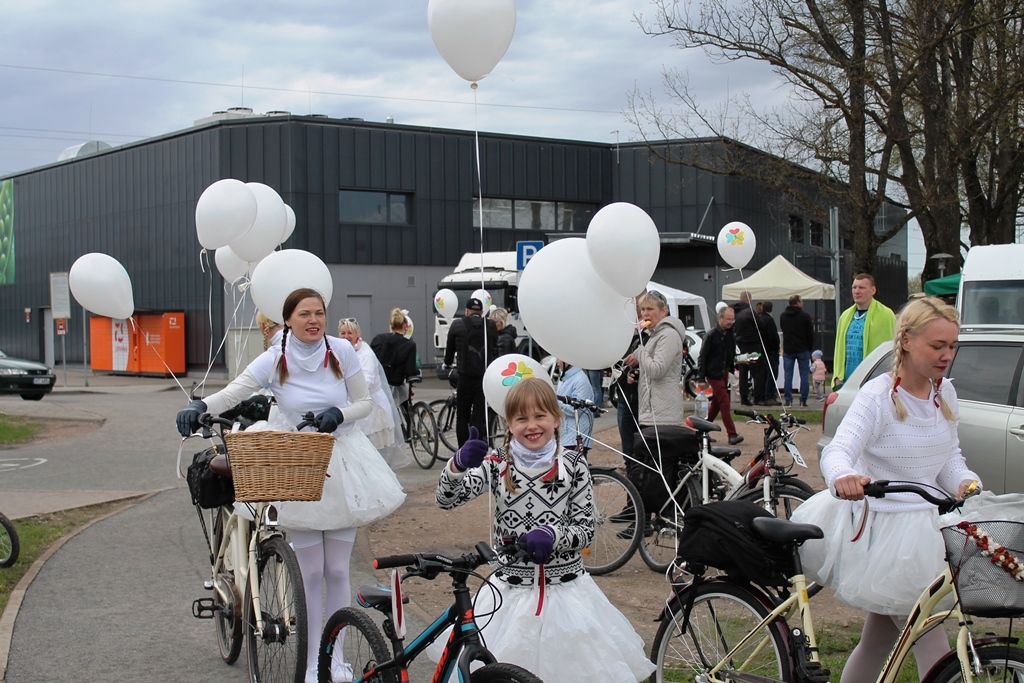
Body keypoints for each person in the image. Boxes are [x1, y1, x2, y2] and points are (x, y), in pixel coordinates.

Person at [175, 288, 406, 683]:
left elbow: (365, 402)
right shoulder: (275, 356)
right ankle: (315, 660)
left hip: (340, 459)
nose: (313, 320)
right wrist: (200, 406)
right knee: (310, 573)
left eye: (319, 313)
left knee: (337, 569)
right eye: (304, 314)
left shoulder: (341, 351)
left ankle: (336, 660)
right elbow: (237, 390)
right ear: (288, 320)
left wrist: (339, 413)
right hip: (296, 462)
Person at [792, 297, 980, 683]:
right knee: (931, 640)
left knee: (878, 643)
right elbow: (839, 450)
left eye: (952, 346)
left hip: (922, 531)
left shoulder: (944, 393)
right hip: (885, 531)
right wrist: (843, 476)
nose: (947, 355)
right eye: (937, 346)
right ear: (907, 341)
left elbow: (948, 457)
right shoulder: (878, 397)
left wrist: (963, 480)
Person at [434, 377, 655, 682]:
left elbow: (585, 529)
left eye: (540, 416)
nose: (532, 425)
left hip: (566, 594)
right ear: (509, 425)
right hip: (509, 595)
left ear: (556, 419)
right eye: (521, 418)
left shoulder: (574, 464)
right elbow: (447, 500)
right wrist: (457, 466)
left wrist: (553, 535)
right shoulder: (498, 462)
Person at [338, 317, 409, 469]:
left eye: (349, 332)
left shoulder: (365, 354)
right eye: (342, 333)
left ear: (357, 333)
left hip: (373, 412)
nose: (346, 336)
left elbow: (366, 381)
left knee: (372, 458)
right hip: (355, 407)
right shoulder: (343, 351)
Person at [623, 290, 687, 431]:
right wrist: (639, 374)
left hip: (663, 415)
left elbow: (657, 371)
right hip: (651, 413)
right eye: (643, 309)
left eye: (650, 309)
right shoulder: (654, 334)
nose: (645, 313)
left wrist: (640, 351)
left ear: (663, 312)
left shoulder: (668, 335)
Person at [443, 297, 499, 446]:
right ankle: (478, 450)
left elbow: (449, 352)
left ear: (467, 311)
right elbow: (495, 349)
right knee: (479, 416)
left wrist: (447, 364)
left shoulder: (457, 325)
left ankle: (463, 451)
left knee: (462, 415)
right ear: (481, 312)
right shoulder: (490, 325)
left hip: (464, 377)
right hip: (483, 377)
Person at [833, 273, 897, 389]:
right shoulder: (845, 316)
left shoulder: (886, 315)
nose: (857, 291)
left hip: (874, 383)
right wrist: (837, 376)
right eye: (854, 287)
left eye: (861, 288)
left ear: (873, 290)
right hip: (846, 383)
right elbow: (839, 349)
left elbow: (892, 349)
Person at [697, 305, 743, 445]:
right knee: (724, 401)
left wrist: (738, 363)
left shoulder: (730, 333)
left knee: (716, 404)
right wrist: (701, 377)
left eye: (732, 320)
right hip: (713, 373)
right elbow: (702, 357)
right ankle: (732, 434)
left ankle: (702, 432)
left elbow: (730, 353)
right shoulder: (711, 335)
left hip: (724, 372)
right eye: (728, 319)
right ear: (720, 318)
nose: (730, 322)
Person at [370, 308, 420, 405]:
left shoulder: (379, 339)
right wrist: (418, 372)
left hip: (378, 384)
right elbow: (410, 370)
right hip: (395, 383)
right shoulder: (409, 344)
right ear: (405, 326)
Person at [779, 294, 815, 407]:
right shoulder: (805, 316)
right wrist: (809, 347)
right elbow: (810, 334)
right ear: (798, 303)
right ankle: (803, 400)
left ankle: (788, 400)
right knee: (804, 375)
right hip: (802, 348)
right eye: (802, 301)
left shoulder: (783, 316)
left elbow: (783, 329)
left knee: (788, 375)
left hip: (789, 349)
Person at [555, 359, 594, 454]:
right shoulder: (565, 377)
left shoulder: (580, 379)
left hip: (576, 436)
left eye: (558, 358)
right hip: (565, 435)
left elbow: (577, 409)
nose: (556, 362)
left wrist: (554, 402)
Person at [732, 291, 763, 406]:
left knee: (743, 373)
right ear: (749, 299)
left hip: (740, 346)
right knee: (757, 372)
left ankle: (744, 398)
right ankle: (757, 397)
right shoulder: (750, 312)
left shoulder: (735, 312)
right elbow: (761, 325)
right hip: (752, 346)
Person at [757, 301, 781, 405]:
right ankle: (769, 396)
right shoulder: (769, 320)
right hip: (771, 351)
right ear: (771, 309)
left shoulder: (759, 319)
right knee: (772, 373)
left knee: (764, 374)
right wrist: (777, 347)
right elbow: (773, 336)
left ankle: (762, 395)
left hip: (761, 350)